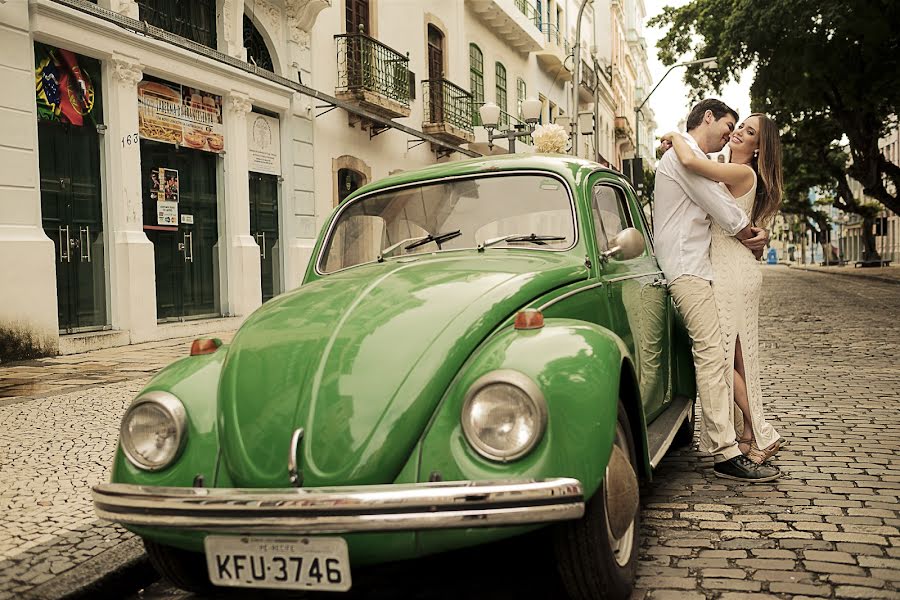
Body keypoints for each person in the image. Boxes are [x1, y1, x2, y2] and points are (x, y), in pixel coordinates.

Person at [653, 98, 779, 482]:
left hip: (702, 267)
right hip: (686, 268)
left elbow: (726, 196)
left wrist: (756, 233)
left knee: (723, 354)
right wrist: (751, 236)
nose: (731, 134)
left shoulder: (691, 154)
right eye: (727, 126)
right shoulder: (681, 155)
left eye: (741, 130)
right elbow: (722, 208)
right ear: (707, 117)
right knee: (714, 353)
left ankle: (744, 436)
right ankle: (729, 450)